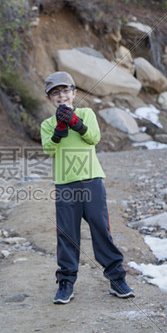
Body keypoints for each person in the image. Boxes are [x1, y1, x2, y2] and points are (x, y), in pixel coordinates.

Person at [40, 71, 136, 304]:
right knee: (67, 235)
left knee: (101, 229)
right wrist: (59, 131)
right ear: (49, 98)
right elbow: (48, 149)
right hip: (65, 184)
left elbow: (94, 138)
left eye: (65, 91)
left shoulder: (86, 113)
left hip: (91, 180)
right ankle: (66, 282)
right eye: (55, 93)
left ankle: (116, 279)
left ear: (74, 93)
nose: (61, 96)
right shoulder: (47, 124)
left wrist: (75, 122)